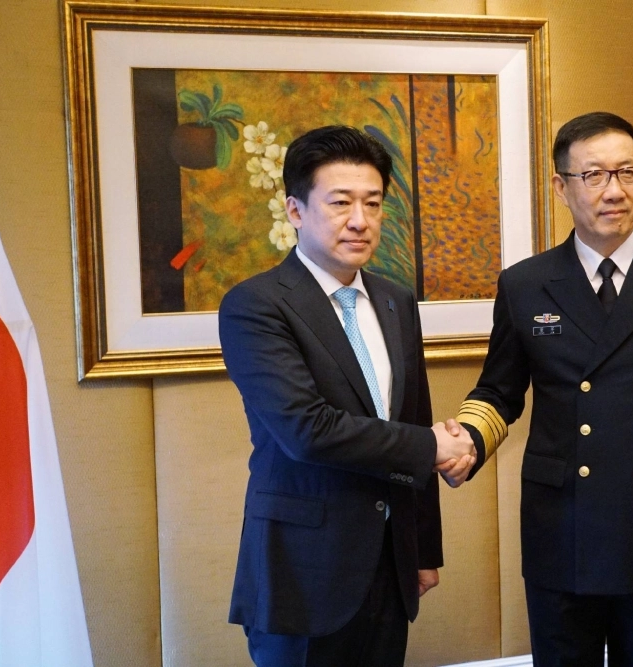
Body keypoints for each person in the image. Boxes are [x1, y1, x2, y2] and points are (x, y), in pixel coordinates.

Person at [450, 112, 633, 666]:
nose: (615, 191)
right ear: (562, 187)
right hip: (563, 526)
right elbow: (498, 392)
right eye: (594, 176)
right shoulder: (525, 283)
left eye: (627, 172)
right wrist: (467, 436)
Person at [219, 125, 475, 667]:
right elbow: (306, 430)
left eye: (373, 203)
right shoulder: (256, 305)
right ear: (295, 210)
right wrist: (433, 447)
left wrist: (423, 550)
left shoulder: (394, 301)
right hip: (303, 571)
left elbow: (412, 420)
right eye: (340, 203)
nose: (359, 220)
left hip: (389, 566)